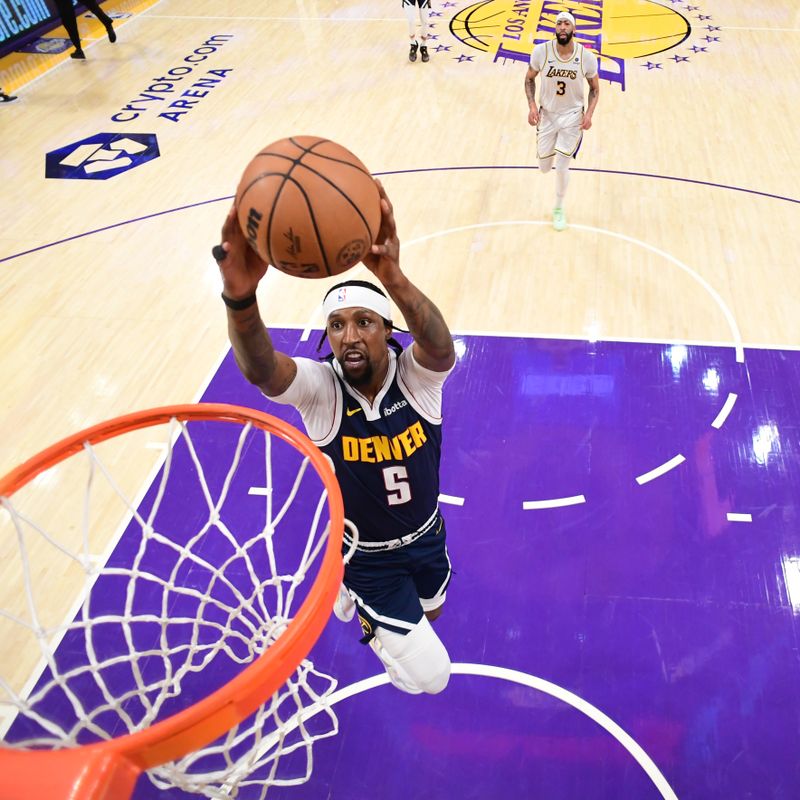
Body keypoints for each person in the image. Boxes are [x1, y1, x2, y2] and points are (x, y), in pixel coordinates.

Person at [213, 180, 456, 695]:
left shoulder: (414, 377)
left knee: (434, 610)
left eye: (363, 322)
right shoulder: (321, 389)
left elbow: (440, 347)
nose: (348, 335)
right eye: (337, 325)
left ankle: (391, 623)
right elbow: (262, 369)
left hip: (428, 534)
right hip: (367, 557)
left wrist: (390, 272)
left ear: (386, 331)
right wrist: (240, 297)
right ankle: (360, 602)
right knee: (430, 679)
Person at [525, 11, 600, 231]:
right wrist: (531, 106)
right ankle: (550, 172)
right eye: (559, 23)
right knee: (544, 167)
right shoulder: (541, 52)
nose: (563, 27)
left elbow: (595, 89)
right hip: (547, 114)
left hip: (572, 117)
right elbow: (529, 79)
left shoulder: (586, 57)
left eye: (567, 23)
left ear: (574, 29)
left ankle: (558, 207)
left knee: (562, 165)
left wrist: (589, 115)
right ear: (555, 29)